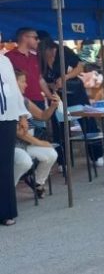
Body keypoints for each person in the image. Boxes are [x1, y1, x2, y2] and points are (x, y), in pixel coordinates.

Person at [38, 32, 104, 167]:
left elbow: (79, 67)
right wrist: (50, 87)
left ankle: (96, 154)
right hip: (56, 96)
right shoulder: (38, 58)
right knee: (59, 129)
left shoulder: (64, 51)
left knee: (88, 123)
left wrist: (65, 77)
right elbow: (41, 78)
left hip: (75, 92)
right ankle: (63, 161)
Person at [1, 30, 30, 226]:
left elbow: (12, 90)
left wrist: (22, 115)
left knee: (4, 164)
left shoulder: (4, 61)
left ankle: (5, 211)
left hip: (7, 117)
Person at [14, 70, 59, 198]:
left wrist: (52, 106)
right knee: (25, 162)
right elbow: (19, 133)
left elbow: (43, 116)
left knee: (51, 154)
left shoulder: (25, 101)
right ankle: (9, 189)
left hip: (27, 144)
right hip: (14, 146)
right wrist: (41, 143)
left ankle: (38, 183)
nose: (26, 85)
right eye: (22, 81)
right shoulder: (8, 103)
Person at [6, 28, 54, 118]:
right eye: (35, 38)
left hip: (37, 99)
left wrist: (50, 96)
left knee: (39, 129)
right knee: (23, 129)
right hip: (20, 100)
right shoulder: (8, 57)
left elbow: (40, 79)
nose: (38, 41)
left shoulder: (35, 57)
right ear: (25, 37)